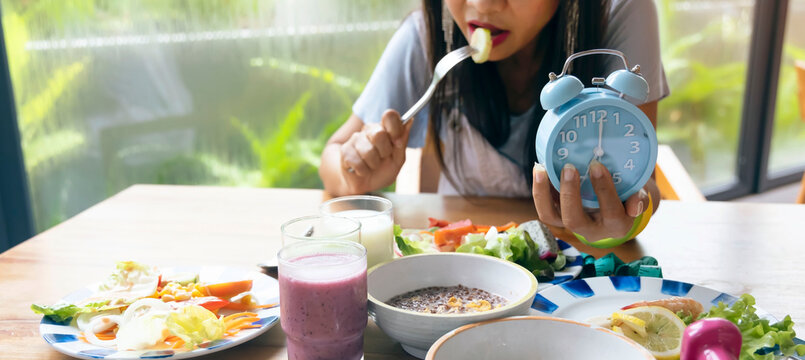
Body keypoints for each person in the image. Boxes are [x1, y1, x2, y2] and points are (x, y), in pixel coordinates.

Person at [319, 0, 667, 245]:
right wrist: (357, 172)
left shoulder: (621, 10)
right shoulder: (428, 33)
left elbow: (643, 184)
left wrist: (629, 214)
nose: (483, 5)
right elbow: (333, 157)